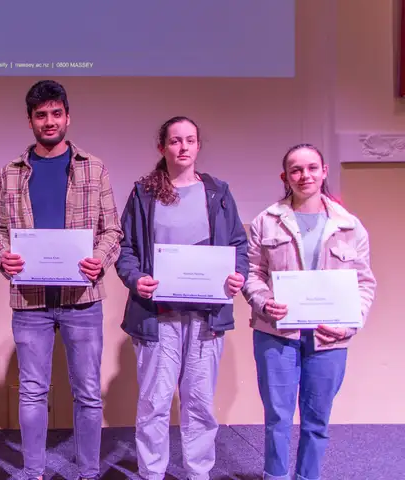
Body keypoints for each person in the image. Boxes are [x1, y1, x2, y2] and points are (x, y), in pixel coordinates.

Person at [0, 79, 123, 480]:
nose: (49, 121)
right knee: (32, 392)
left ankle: (88, 473)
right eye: (41, 115)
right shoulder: (9, 173)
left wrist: (99, 260)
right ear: (29, 120)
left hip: (82, 297)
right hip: (30, 300)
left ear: (68, 116)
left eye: (56, 113)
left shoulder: (94, 168)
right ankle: (34, 473)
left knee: (88, 394)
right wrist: (2, 257)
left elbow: (112, 230)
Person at [115, 116, 249, 480]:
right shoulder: (144, 193)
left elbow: (238, 245)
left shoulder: (218, 192)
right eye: (175, 141)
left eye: (190, 140)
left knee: (200, 404)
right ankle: (152, 473)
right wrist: (136, 278)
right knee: (154, 403)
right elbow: (124, 248)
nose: (183, 147)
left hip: (206, 317)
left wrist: (239, 276)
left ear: (198, 146)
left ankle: (197, 473)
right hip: (157, 317)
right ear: (162, 147)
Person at [242, 143, 376, 480]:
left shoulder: (350, 226)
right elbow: (252, 273)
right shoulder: (266, 221)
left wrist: (350, 326)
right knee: (278, 419)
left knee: (317, 421)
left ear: (324, 171)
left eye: (312, 168)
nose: (305, 176)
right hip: (276, 334)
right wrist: (262, 301)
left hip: (329, 338)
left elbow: (364, 283)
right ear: (285, 176)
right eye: (296, 170)